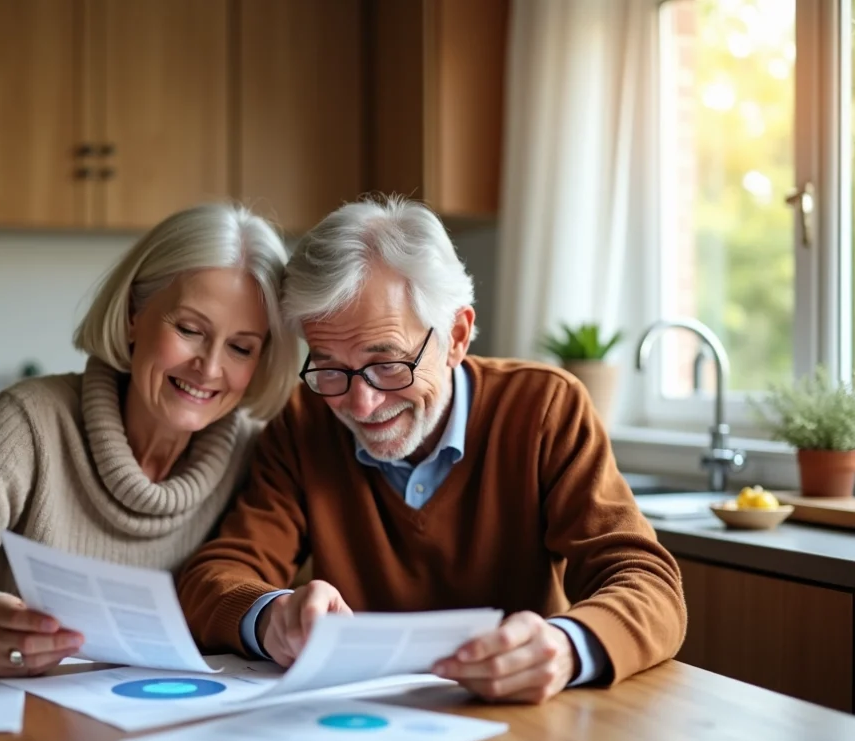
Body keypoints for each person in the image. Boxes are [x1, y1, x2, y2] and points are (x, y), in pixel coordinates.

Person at [175, 196, 686, 704]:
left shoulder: (544, 407)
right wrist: (272, 614)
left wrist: (567, 646)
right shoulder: (303, 420)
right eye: (329, 365)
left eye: (389, 363)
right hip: (361, 720)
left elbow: (648, 582)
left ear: (457, 336)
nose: (361, 401)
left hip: (518, 718)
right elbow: (213, 579)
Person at [0, 203, 299, 677]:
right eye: (190, 329)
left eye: (241, 347)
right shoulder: (31, 421)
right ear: (133, 314)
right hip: (23, 732)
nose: (210, 368)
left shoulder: (261, 453)